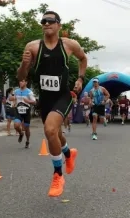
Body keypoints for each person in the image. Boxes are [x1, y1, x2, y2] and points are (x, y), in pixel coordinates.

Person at [17, 11, 86, 197]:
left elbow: (83, 59)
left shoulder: (69, 45)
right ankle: (69, 154)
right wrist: (24, 65)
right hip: (45, 99)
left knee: (49, 130)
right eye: (43, 21)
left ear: (58, 25)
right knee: (55, 134)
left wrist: (80, 79)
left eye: (50, 21)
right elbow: (21, 77)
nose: (46, 24)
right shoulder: (32, 47)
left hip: (63, 96)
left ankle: (58, 175)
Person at [12, 79, 36, 148]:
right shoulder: (16, 91)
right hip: (18, 110)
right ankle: (21, 133)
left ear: (26, 82)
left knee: (26, 128)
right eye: (20, 81)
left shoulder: (29, 92)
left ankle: (27, 141)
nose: (21, 82)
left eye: (22, 81)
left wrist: (28, 101)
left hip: (26, 111)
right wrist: (14, 103)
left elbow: (34, 102)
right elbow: (14, 99)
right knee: (16, 126)